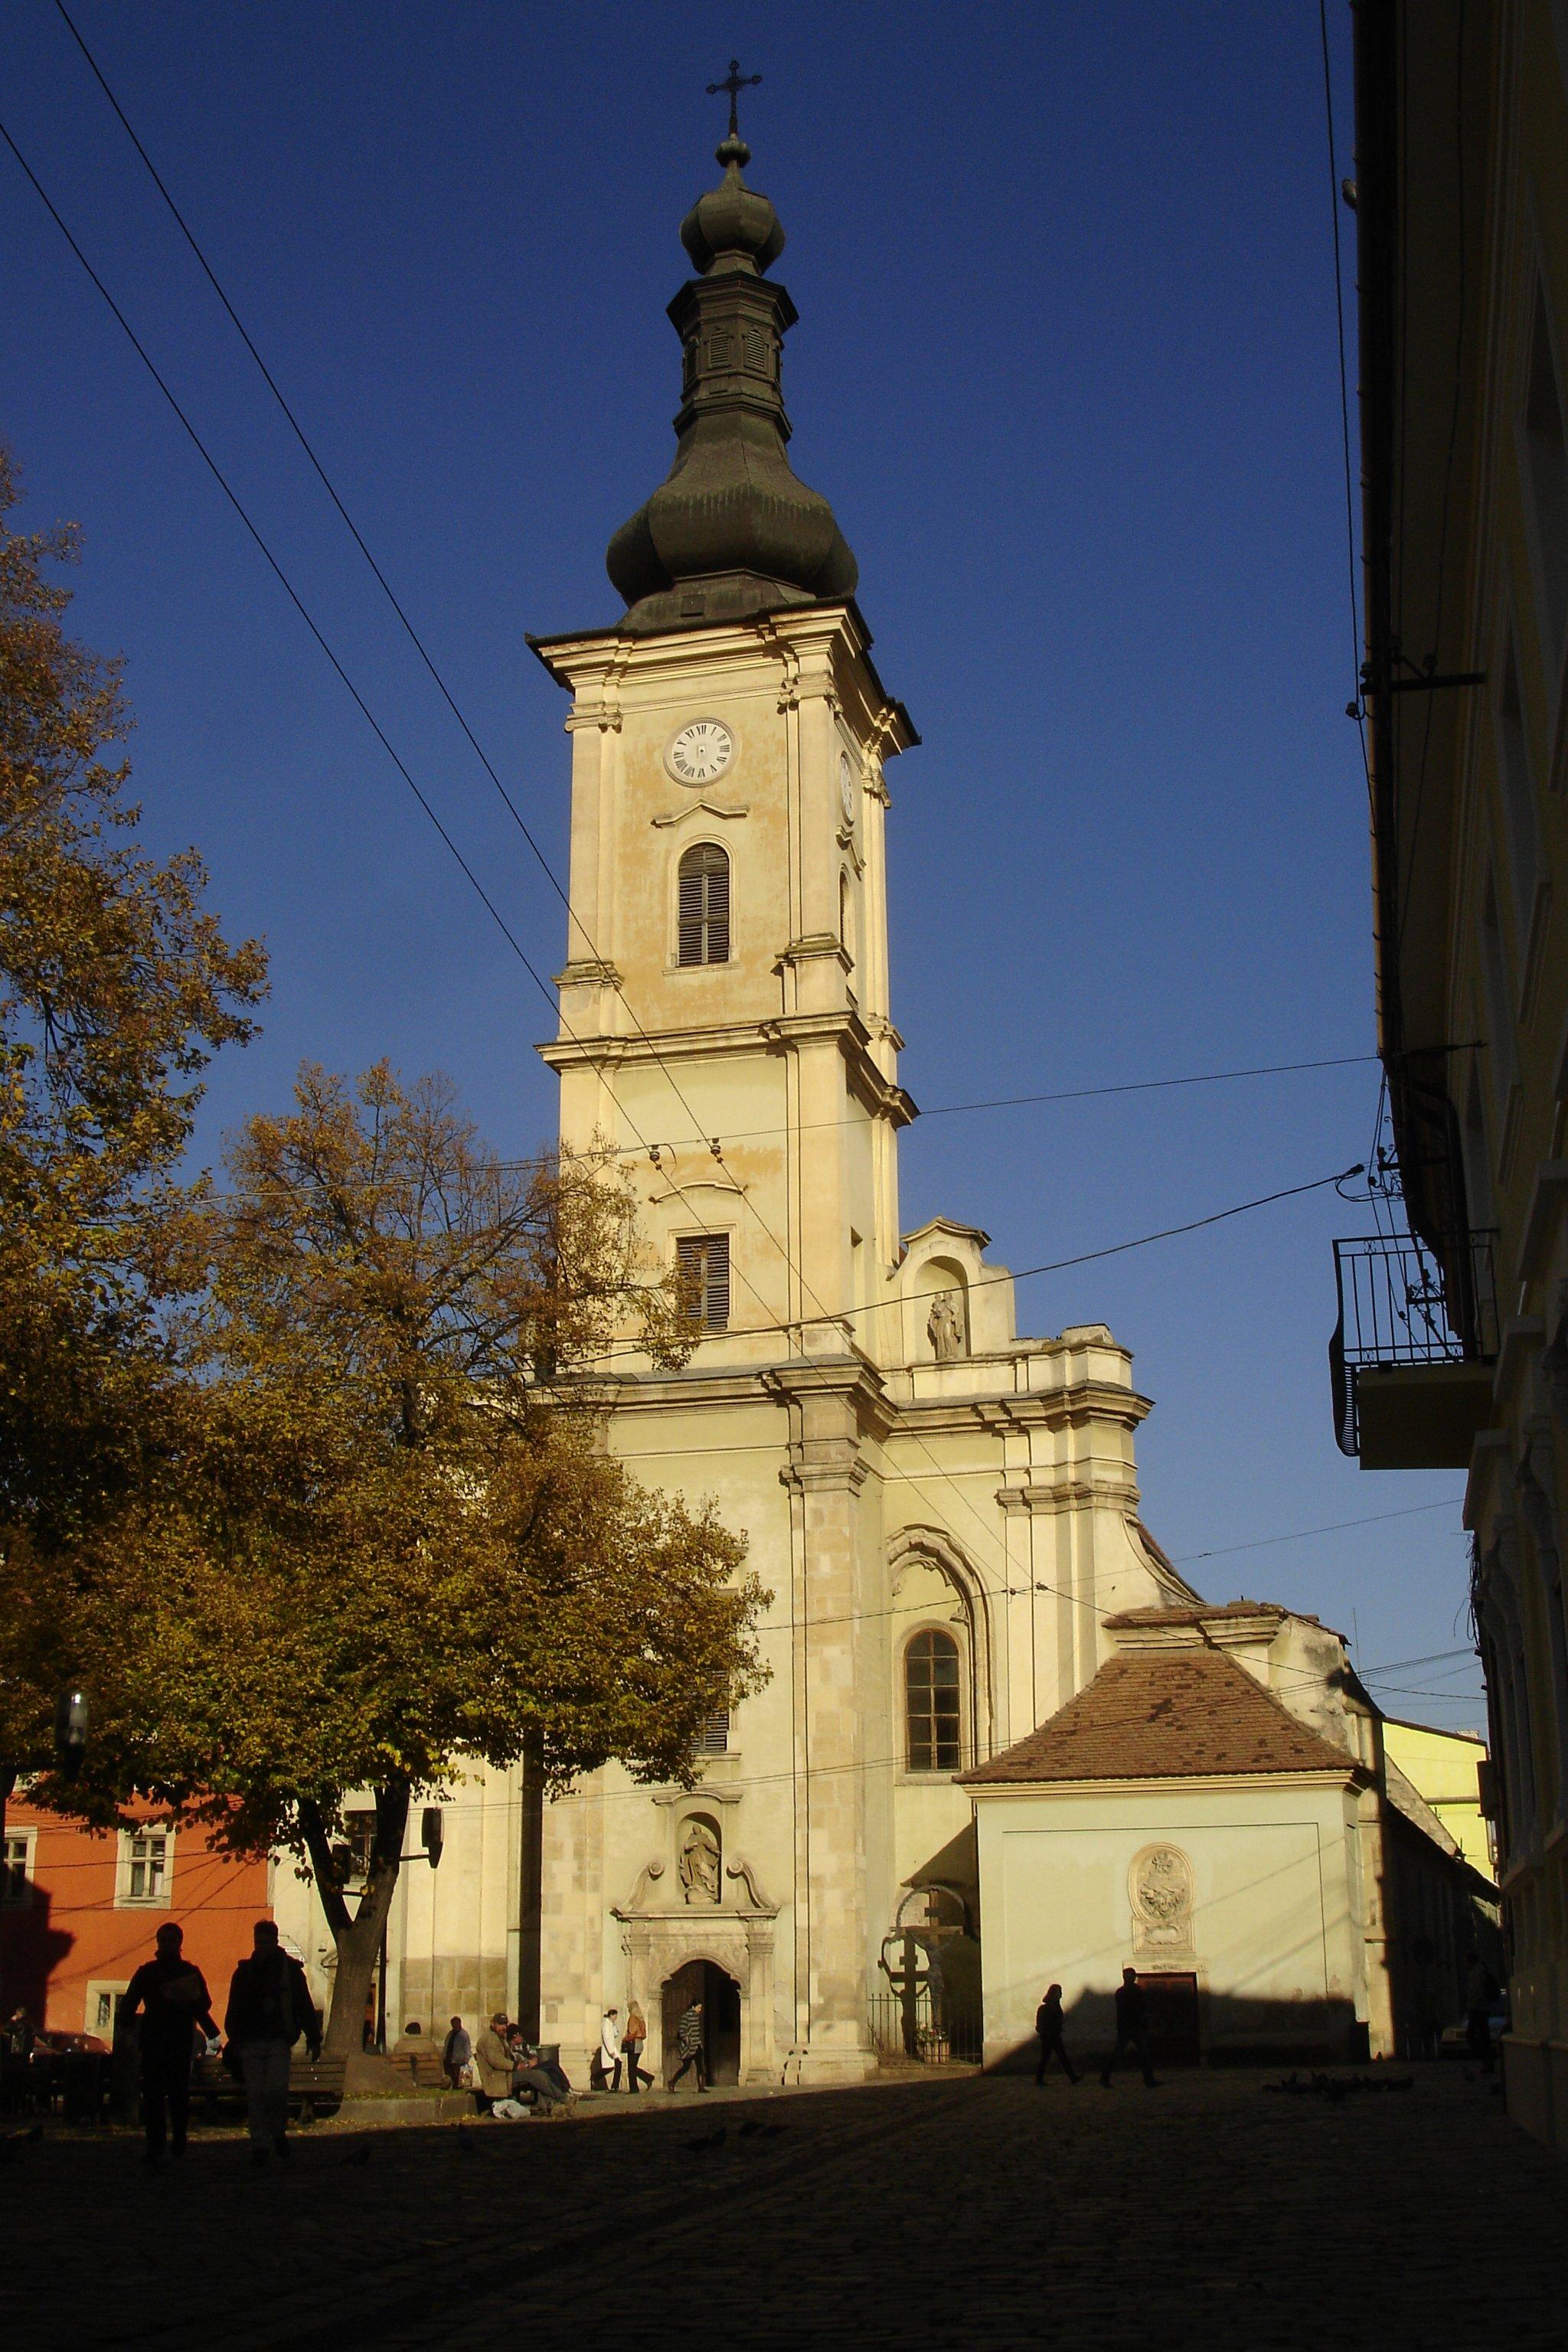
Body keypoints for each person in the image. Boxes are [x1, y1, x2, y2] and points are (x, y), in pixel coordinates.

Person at [119, 1923, 219, 2164]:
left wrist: (186, 1998)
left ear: (179, 1942)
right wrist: (129, 2031)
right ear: (158, 1942)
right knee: (154, 2095)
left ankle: (178, 2136)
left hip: (178, 2039)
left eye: (171, 1939)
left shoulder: (189, 1971)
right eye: (164, 1939)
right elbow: (128, 2005)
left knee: (177, 2093)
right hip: (154, 2040)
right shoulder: (147, 1972)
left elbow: (203, 2004)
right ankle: (156, 2145)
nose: (167, 1943)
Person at [224, 1919, 321, 2166]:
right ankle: (260, 2144)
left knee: (276, 2091)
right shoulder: (244, 1972)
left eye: (266, 1942)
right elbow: (234, 2007)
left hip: (279, 2040)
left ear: (275, 1941)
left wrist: (313, 2036)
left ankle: (277, 2132)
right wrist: (235, 2037)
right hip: (251, 2041)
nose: (262, 1947)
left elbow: (303, 2004)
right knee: (255, 2094)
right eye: (258, 1942)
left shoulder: (290, 1971)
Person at [1100, 1967, 1160, 2089]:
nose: (1129, 1978)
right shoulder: (1128, 1992)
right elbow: (1137, 2008)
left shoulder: (1124, 1992)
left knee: (1142, 2053)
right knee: (1137, 2053)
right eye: (1128, 1976)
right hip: (1130, 2026)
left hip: (1130, 2026)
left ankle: (1149, 2080)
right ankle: (1148, 2080)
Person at [1034, 1984, 1079, 2085]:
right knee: (1046, 2058)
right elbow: (1042, 2023)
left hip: (1055, 2035)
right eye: (1059, 1992)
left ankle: (1073, 2078)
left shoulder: (1057, 2007)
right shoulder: (1044, 2008)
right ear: (1054, 1994)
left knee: (1062, 2057)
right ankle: (1039, 2079)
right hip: (1047, 2036)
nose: (1061, 1995)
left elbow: (1058, 2019)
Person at [473, 2013, 514, 2114]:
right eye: (500, 2024)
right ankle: (559, 2099)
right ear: (493, 2024)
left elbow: (508, 2055)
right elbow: (496, 2061)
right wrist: (515, 2066)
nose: (503, 2027)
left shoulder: (500, 2037)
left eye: (505, 2024)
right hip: (495, 2077)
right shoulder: (489, 2038)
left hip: (505, 2075)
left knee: (541, 2073)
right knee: (535, 2077)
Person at [1464, 1951, 1498, 2072]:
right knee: (1483, 2036)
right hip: (1483, 2008)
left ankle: (1486, 2060)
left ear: (1470, 1961)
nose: (1465, 1965)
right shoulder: (1482, 1970)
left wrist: (1471, 2007)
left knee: (1472, 2035)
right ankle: (1487, 2062)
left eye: (1466, 1962)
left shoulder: (1476, 1973)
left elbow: (1476, 1992)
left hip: (1478, 2009)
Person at [669, 1998, 707, 2092]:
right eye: (699, 2008)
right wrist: (688, 2041)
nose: (700, 2010)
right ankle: (672, 2082)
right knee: (686, 2067)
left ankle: (701, 2087)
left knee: (700, 2066)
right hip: (688, 2047)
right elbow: (682, 2031)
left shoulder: (696, 2017)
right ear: (693, 2007)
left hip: (697, 2044)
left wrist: (699, 2043)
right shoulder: (686, 2016)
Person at [622, 2000, 653, 2094]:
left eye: (629, 2008)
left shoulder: (633, 2018)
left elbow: (633, 2032)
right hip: (640, 2044)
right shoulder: (641, 2019)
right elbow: (644, 2034)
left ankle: (635, 2087)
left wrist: (625, 2038)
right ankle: (644, 2080)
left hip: (633, 2043)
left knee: (631, 2067)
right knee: (633, 2066)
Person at [442, 2015, 472, 2089]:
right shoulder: (450, 2034)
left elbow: (467, 2047)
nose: (454, 2026)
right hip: (449, 2060)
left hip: (459, 2061)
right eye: (453, 2024)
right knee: (449, 2079)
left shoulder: (464, 2035)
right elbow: (446, 2045)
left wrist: (467, 2059)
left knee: (459, 2081)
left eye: (455, 2024)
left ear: (459, 2023)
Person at [598, 2007, 623, 2092]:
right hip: (609, 2049)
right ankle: (596, 2077)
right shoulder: (606, 2024)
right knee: (609, 2068)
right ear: (611, 2015)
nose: (615, 2018)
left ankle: (615, 2086)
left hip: (613, 2048)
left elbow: (615, 2034)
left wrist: (614, 2025)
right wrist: (610, 2051)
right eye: (615, 2016)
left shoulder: (611, 2024)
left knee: (618, 2064)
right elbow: (606, 2039)